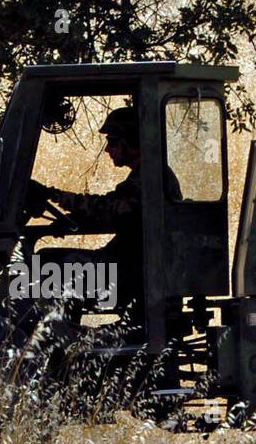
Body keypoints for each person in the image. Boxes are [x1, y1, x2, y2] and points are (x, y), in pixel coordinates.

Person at [26, 105, 181, 309]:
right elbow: (113, 210)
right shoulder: (148, 174)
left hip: (131, 270)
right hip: (128, 264)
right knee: (49, 259)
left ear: (133, 142)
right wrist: (74, 218)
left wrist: (56, 196)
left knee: (46, 264)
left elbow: (109, 209)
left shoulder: (151, 177)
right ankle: (63, 329)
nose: (108, 149)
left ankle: (56, 334)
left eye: (113, 141)